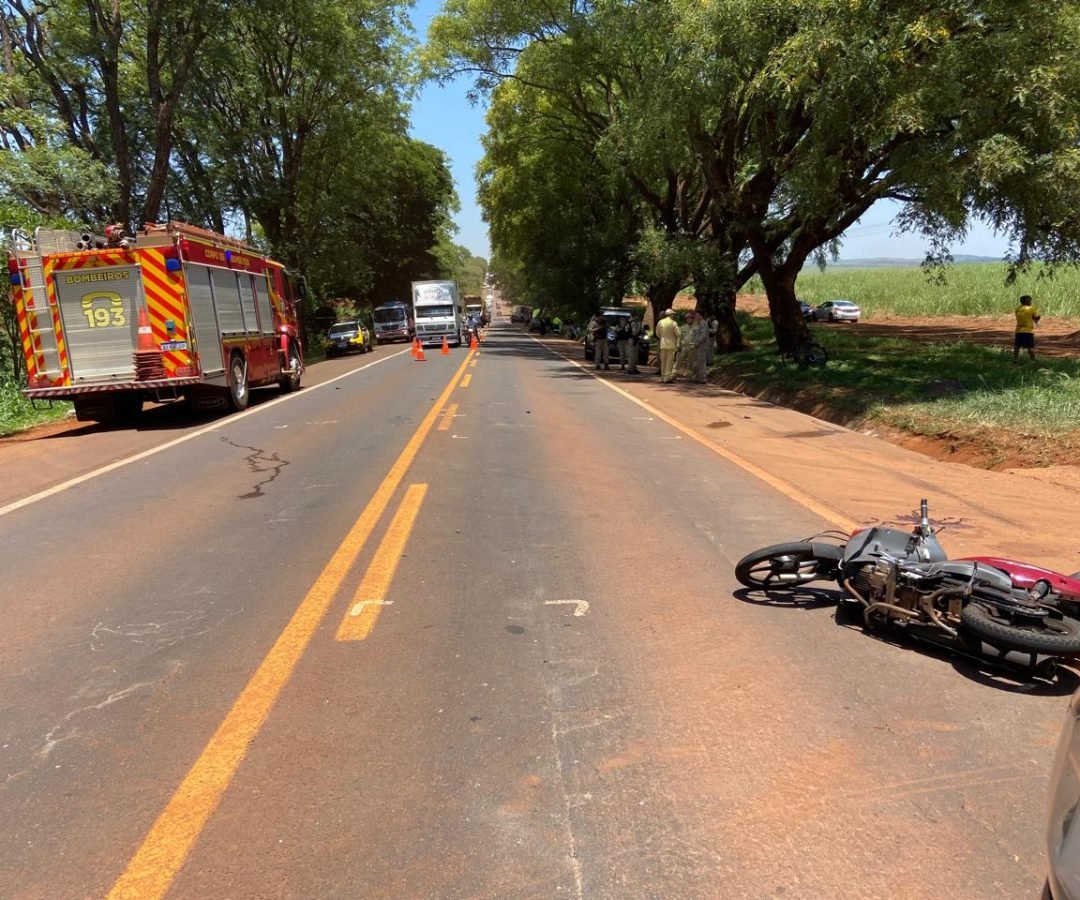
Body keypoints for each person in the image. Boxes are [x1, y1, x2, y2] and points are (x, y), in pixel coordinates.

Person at [656, 308, 681, 383]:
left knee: (663, 361)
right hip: (671, 345)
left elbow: (657, 333)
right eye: (673, 314)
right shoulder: (673, 323)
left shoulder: (660, 322)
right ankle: (667, 378)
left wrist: (662, 338)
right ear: (671, 315)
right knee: (669, 362)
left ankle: (662, 377)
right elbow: (678, 334)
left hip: (662, 344)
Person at [1014, 295, 1041, 361]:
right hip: (1028, 331)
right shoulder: (1031, 308)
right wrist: (1037, 318)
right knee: (1030, 347)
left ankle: (1015, 359)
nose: (1030, 302)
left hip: (1018, 330)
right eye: (1029, 301)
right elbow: (1036, 317)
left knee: (1017, 346)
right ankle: (1033, 360)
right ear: (1026, 301)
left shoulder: (1017, 309)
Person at [687, 311, 710, 383]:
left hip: (702, 346)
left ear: (701, 316)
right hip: (699, 345)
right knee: (698, 362)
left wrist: (697, 342)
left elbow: (703, 335)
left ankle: (702, 379)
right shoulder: (700, 324)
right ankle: (699, 377)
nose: (695, 317)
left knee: (701, 362)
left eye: (697, 315)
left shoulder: (703, 324)